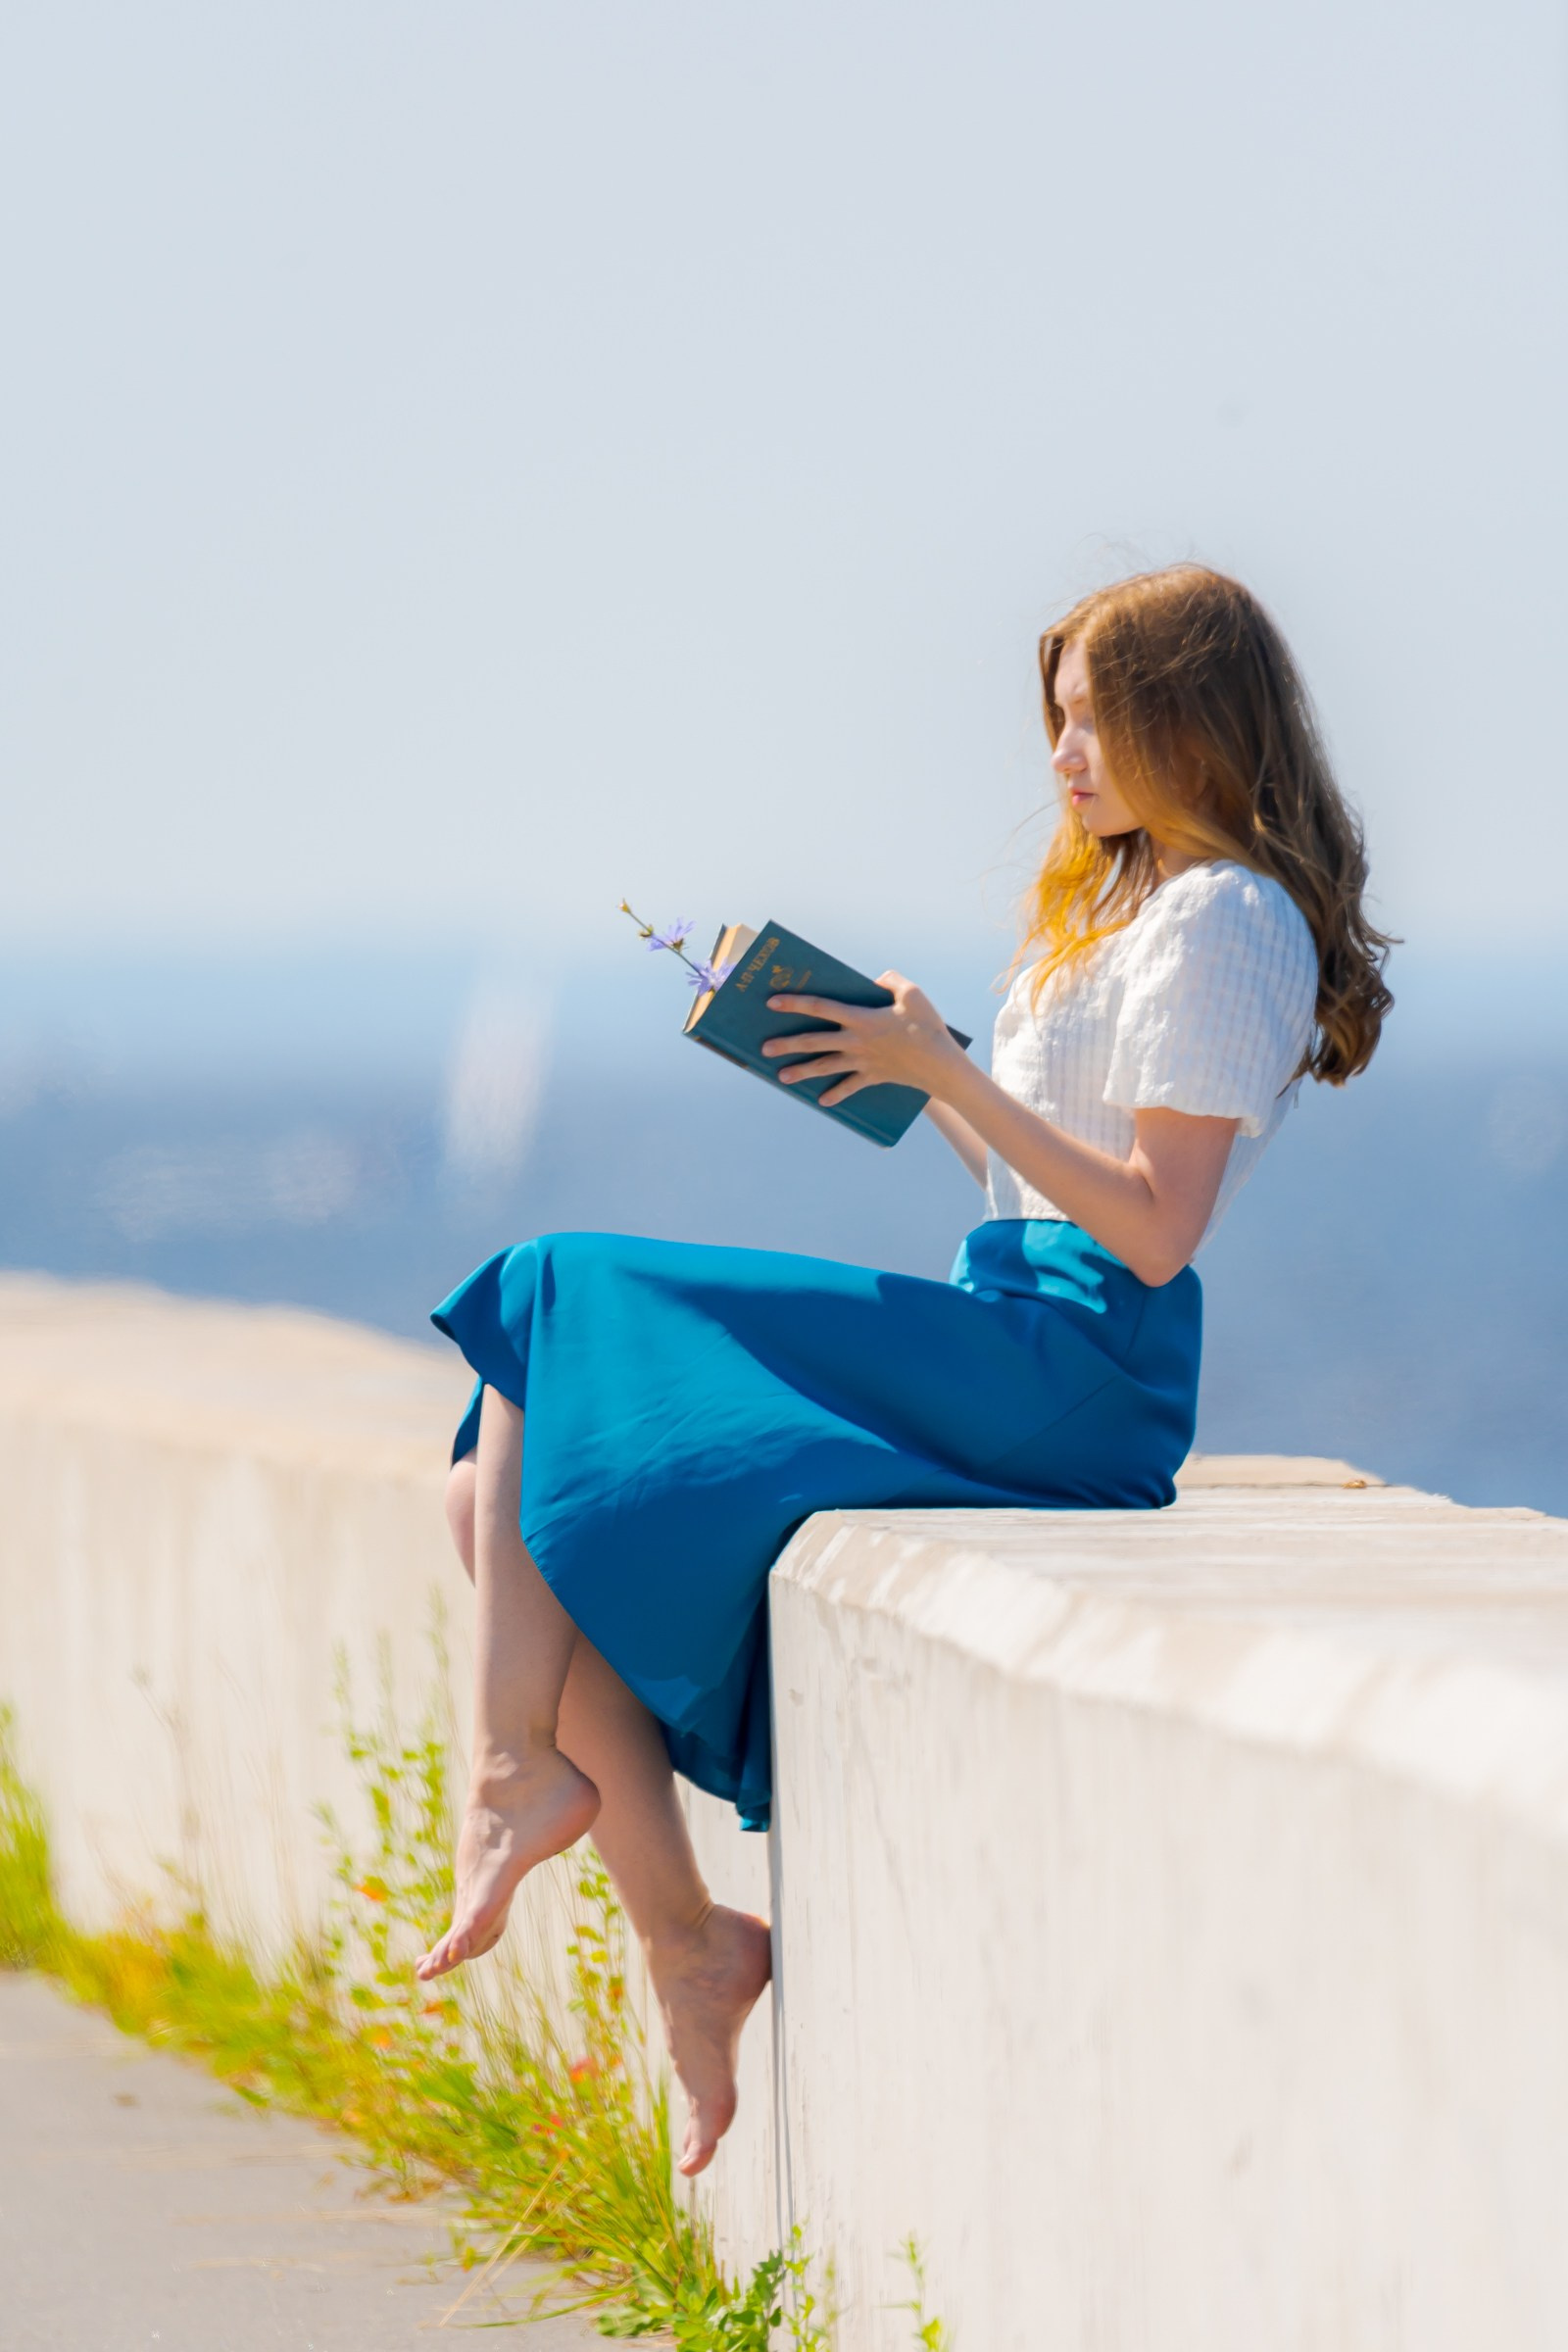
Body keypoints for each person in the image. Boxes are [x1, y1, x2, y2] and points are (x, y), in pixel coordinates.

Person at [417, 563, 1392, 2178]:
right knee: (492, 1498)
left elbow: (1154, 1233)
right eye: (1057, 721)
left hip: (1074, 1364)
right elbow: (1038, 1190)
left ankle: (514, 1769)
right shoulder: (1131, 906)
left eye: (1094, 721)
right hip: (1009, 1320)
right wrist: (915, 1075)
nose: (1063, 756)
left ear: (1190, 720)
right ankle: (689, 1944)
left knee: (545, 1292)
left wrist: (948, 1069)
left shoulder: (1228, 916)